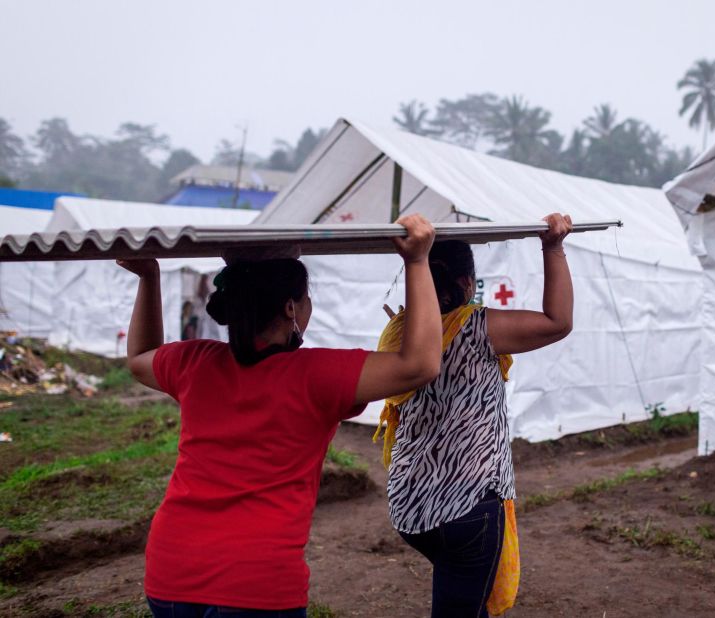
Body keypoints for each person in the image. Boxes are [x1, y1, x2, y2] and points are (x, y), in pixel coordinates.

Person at [118, 214, 442, 617]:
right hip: (255, 584)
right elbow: (420, 365)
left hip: (170, 571)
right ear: (291, 307)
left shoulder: (193, 362)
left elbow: (137, 358)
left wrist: (148, 277)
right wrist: (417, 262)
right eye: (306, 300)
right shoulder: (315, 375)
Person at [375, 213, 574, 617]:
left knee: (462, 599)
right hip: (468, 509)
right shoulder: (476, 327)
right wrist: (553, 247)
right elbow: (558, 322)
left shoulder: (399, 331)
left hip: (411, 507)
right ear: (467, 284)